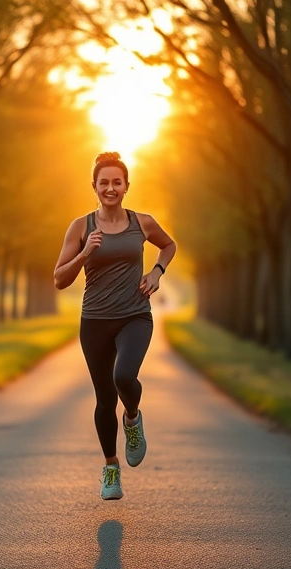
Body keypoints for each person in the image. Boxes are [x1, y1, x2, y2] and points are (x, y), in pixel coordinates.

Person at [53, 151, 177, 500]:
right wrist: (83, 254)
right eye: (104, 182)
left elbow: (168, 245)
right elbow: (59, 279)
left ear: (126, 186)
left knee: (123, 377)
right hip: (94, 321)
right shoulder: (81, 227)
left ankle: (133, 420)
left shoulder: (143, 223)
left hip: (135, 315)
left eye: (116, 182)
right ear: (94, 186)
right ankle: (111, 468)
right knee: (105, 398)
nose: (110, 188)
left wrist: (156, 271)